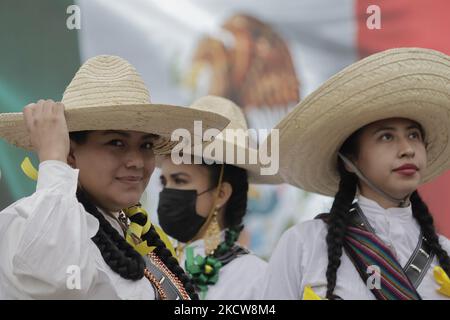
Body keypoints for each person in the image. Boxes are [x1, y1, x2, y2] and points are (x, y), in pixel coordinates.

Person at [0, 55, 229, 299]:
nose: (137, 161)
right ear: (70, 153)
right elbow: (57, 281)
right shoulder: (26, 222)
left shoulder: (126, 230)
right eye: (116, 142)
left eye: (147, 145)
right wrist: (53, 162)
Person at [261, 47, 450, 300]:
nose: (407, 149)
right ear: (349, 161)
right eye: (386, 136)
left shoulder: (445, 254)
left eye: (414, 135)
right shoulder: (305, 244)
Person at [157, 95, 281, 299]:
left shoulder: (257, 279)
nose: (168, 193)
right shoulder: (155, 269)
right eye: (164, 182)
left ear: (221, 193)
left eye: (180, 181)